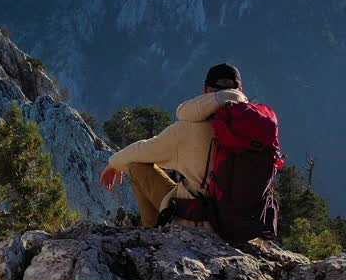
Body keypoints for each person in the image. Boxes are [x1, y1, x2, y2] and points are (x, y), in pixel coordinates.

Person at [99, 64, 249, 227]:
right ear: (239, 91)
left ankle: (150, 230)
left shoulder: (190, 127)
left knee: (136, 167)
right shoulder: (254, 128)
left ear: (206, 90)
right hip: (243, 222)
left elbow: (145, 150)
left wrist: (113, 163)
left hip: (201, 221)